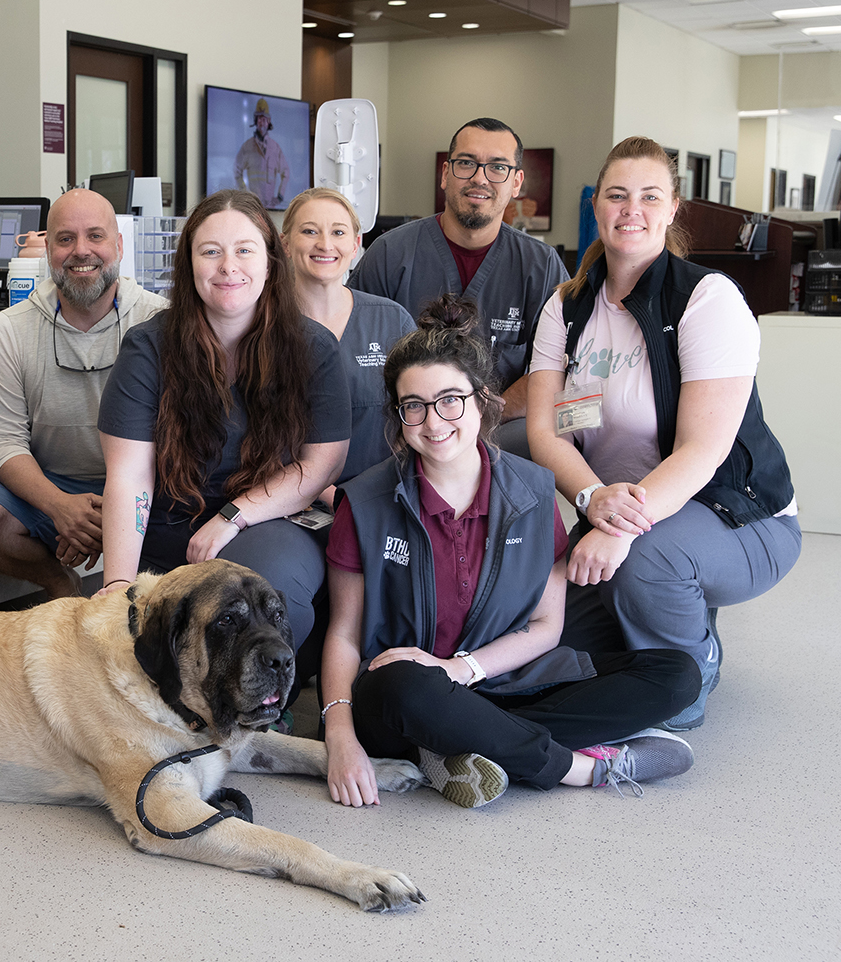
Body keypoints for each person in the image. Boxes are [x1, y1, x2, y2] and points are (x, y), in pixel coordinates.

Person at [320, 295, 701, 811]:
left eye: (451, 400)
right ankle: (578, 767)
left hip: (497, 679)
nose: (434, 423)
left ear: (483, 401)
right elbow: (344, 634)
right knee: (399, 685)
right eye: (414, 406)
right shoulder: (363, 503)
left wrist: (463, 670)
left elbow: (546, 626)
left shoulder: (533, 491)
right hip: (403, 695)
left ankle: (459, 747)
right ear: (398, 414)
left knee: (677, 674)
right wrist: (340, 735)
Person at [528, 136, 802, 732]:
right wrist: (592, 501)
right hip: (619, 510)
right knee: (548, 627)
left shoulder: (707, 299)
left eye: (650, 196)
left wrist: (621, 528)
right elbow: (545, 432)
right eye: (618, 195)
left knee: (645, 562)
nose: (633, 210)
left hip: (738, 517)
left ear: (673, 208)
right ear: (596, 204)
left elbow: (704, 451)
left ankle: (691, 672)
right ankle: (664, 617)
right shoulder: (568, 306)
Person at [98, 188, 349, 655]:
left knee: (254, 601)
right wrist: (119, 585)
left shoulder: (312, 347)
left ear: (270, 262)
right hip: (171, 527)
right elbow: (130, 476)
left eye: (244, 250)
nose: (228, 266)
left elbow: (320, 467)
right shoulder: (148, 347)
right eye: (210, 251)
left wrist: (234, 516)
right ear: (189, 264)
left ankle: (255, 709)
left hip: (270, 519)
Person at [0, 187, 168, 598]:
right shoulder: (9, 329)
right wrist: (60, 507)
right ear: (48, 248)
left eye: (95, 236)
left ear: (119, 246)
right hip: (52, 481)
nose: (81, 251)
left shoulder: (161, 321)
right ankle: (61, 587)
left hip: (145, 481)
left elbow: (179, 438)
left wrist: (115, 509)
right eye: (65, 239)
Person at [354, 117, 566, 457]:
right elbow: (355, 351)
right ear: (445, 174)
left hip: (498, 443)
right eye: (466, 163)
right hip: (398, 439)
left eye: (497, 167)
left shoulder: (541, 268)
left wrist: (478, 420)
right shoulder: (390, 254)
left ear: (516, 182)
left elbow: (555, 368)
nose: (480, 178)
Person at [282, 186, 415, 493]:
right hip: (289, 499)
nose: (325, 244)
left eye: (338, 232)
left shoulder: (391, 321)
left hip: (381, 498)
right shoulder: (262, 325)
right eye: (309, 231)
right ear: (285, 243)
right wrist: (330, 497)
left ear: (356, 245)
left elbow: (418, 415)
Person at [233, 97, 290, 208]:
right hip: (252, 207)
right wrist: (245, 195)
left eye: (265, 119)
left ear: (269, 122)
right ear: (255, 120)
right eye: (259, 118)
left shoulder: (275, 148)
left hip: (270, 207)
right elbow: (236, 171)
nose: (262, 122)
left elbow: (286, 172)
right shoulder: (247, 146)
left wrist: (280, 196)